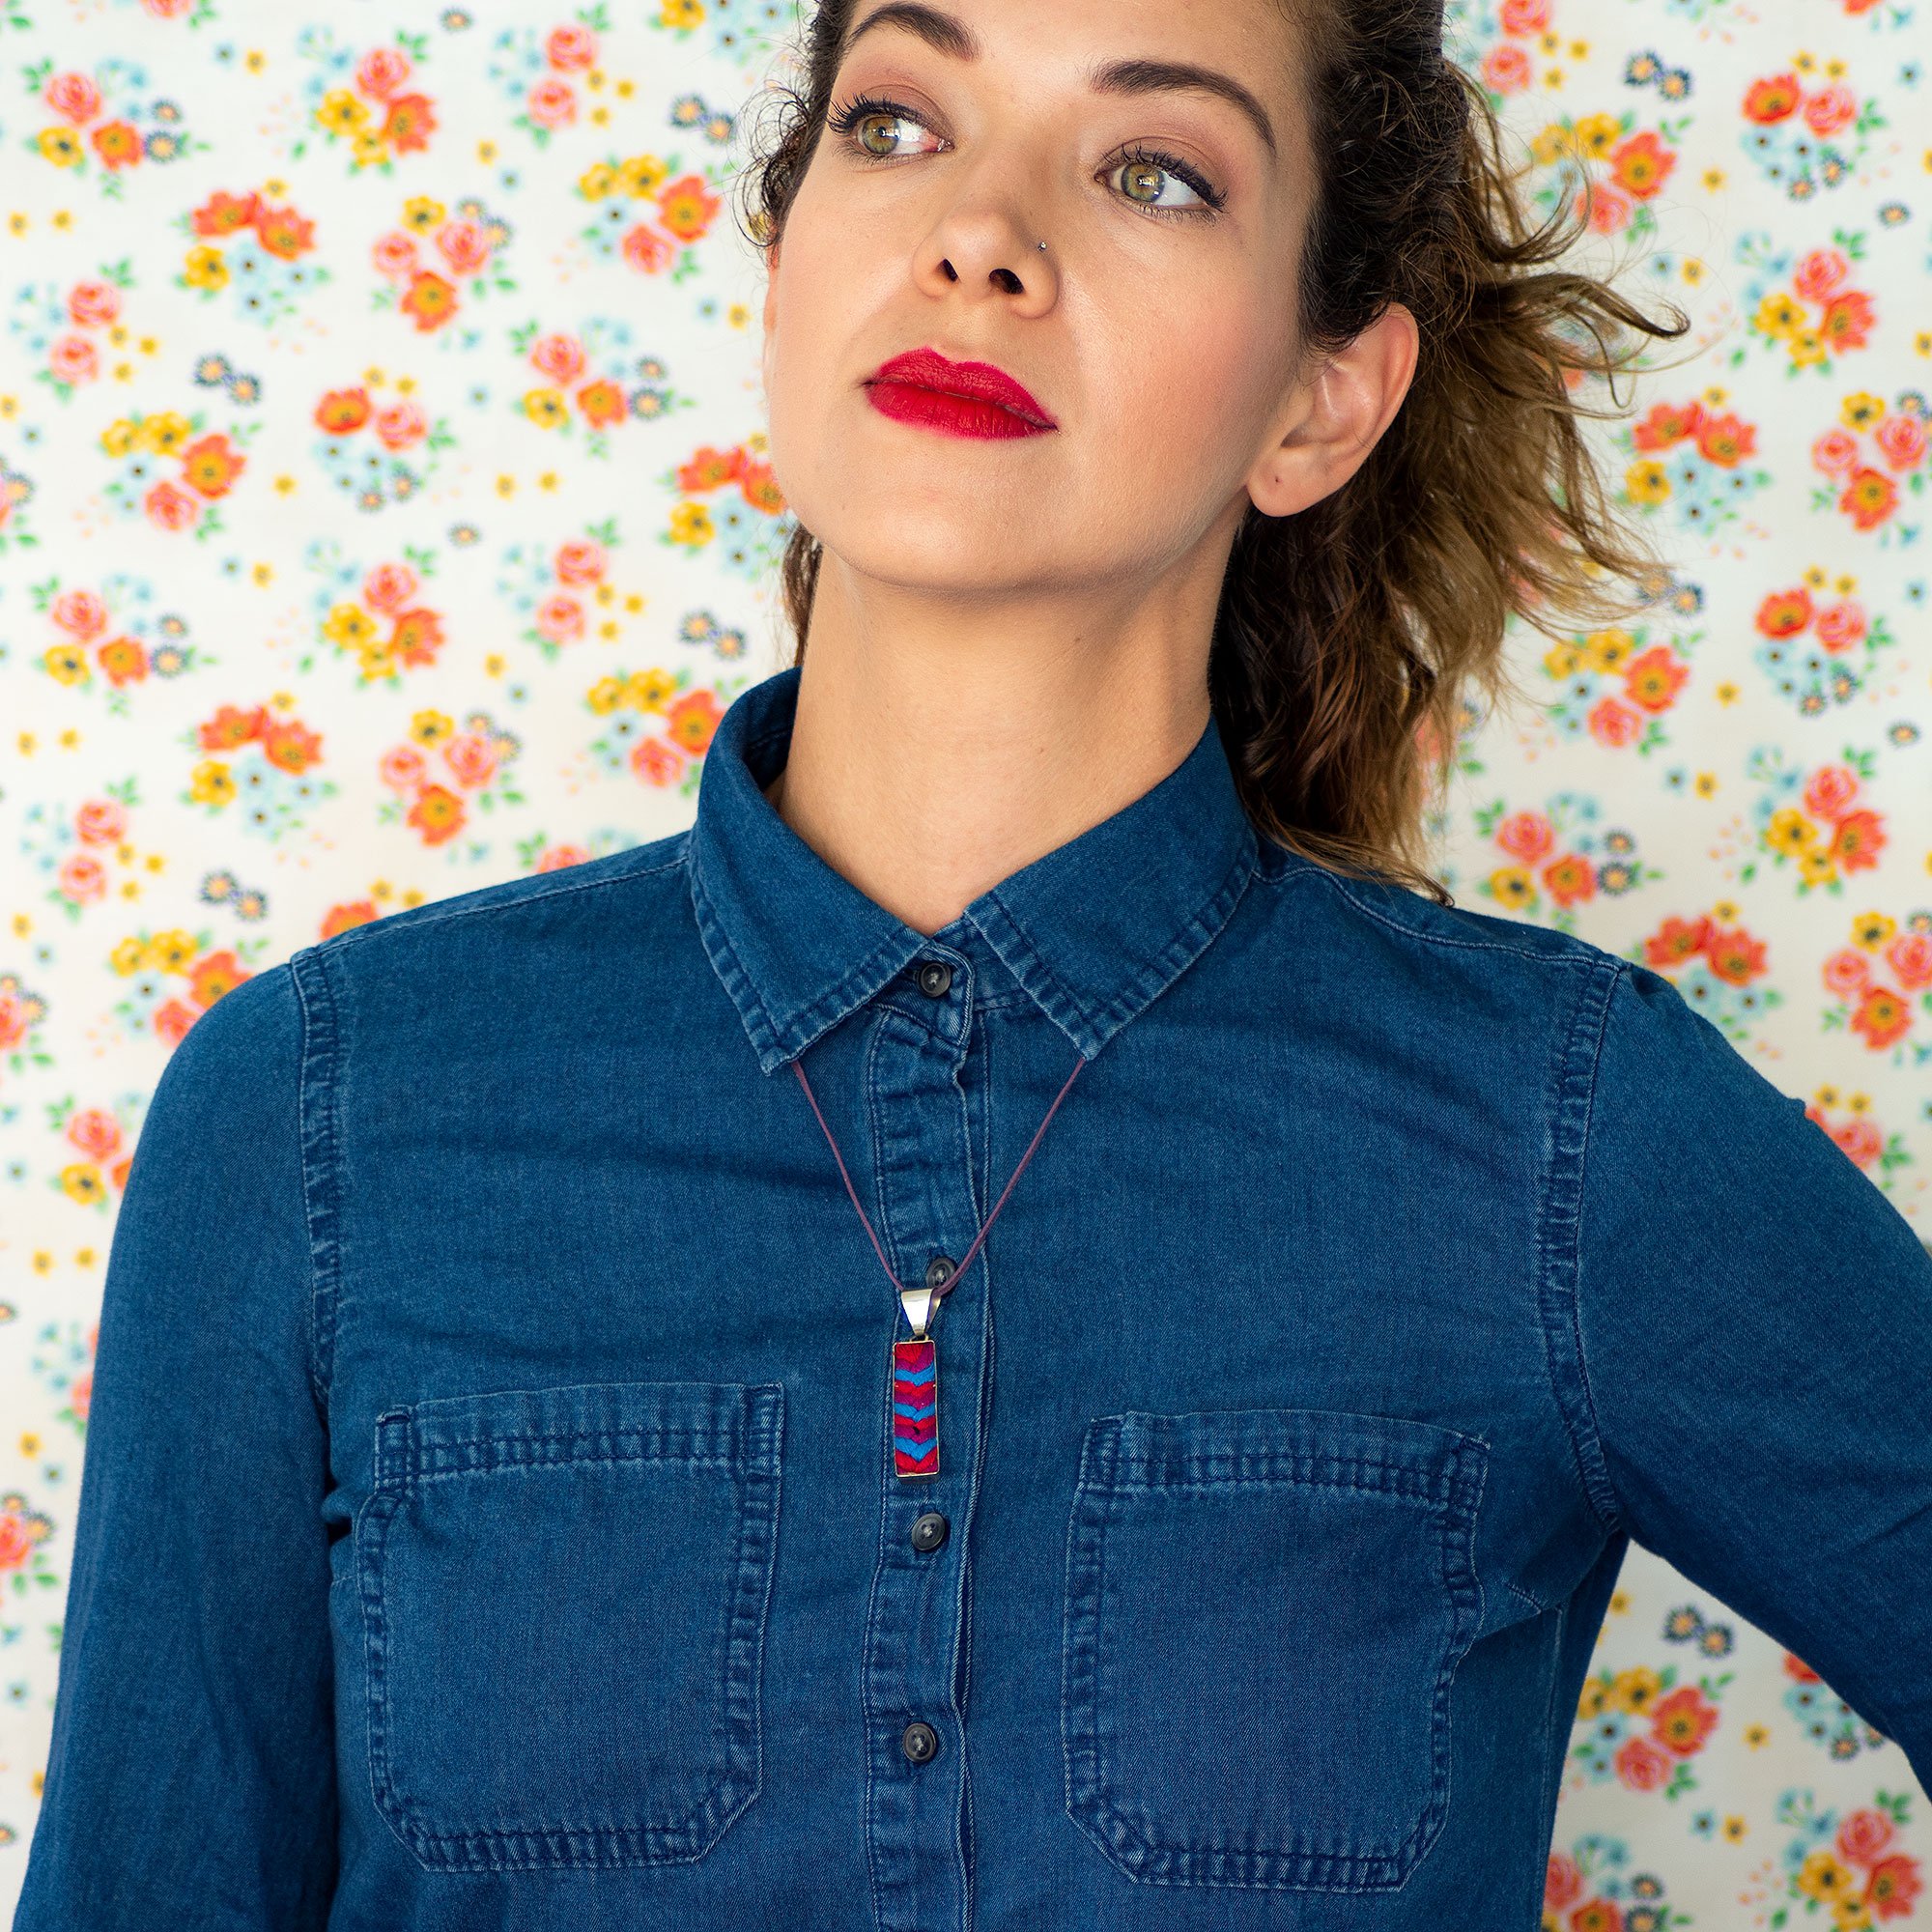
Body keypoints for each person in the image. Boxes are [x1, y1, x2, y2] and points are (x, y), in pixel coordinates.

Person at [15, 0, 1932, 1919]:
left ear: (1317, 401)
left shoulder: (1559, 1136)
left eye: (1152, 171)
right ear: (786, 265)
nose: (980, 234)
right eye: (899, 125)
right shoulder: (318, 1119)